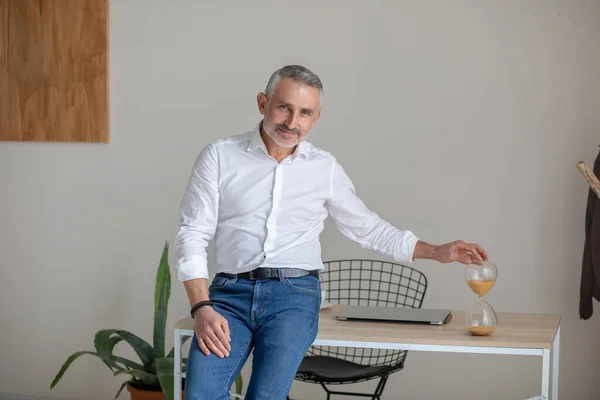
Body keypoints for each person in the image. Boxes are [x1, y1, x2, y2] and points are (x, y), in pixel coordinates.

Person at [175, 64, 489, 400]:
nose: (292, 123)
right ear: (262, 102)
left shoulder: (324, 169)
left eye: (304, 112)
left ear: (316, 117)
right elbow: (192, 232)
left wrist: (436, 251)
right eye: (284, 107)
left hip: (293, 296)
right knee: (200, 394)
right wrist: (202, 307)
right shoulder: (220, 156)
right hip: (229, 294)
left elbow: (367, 227)